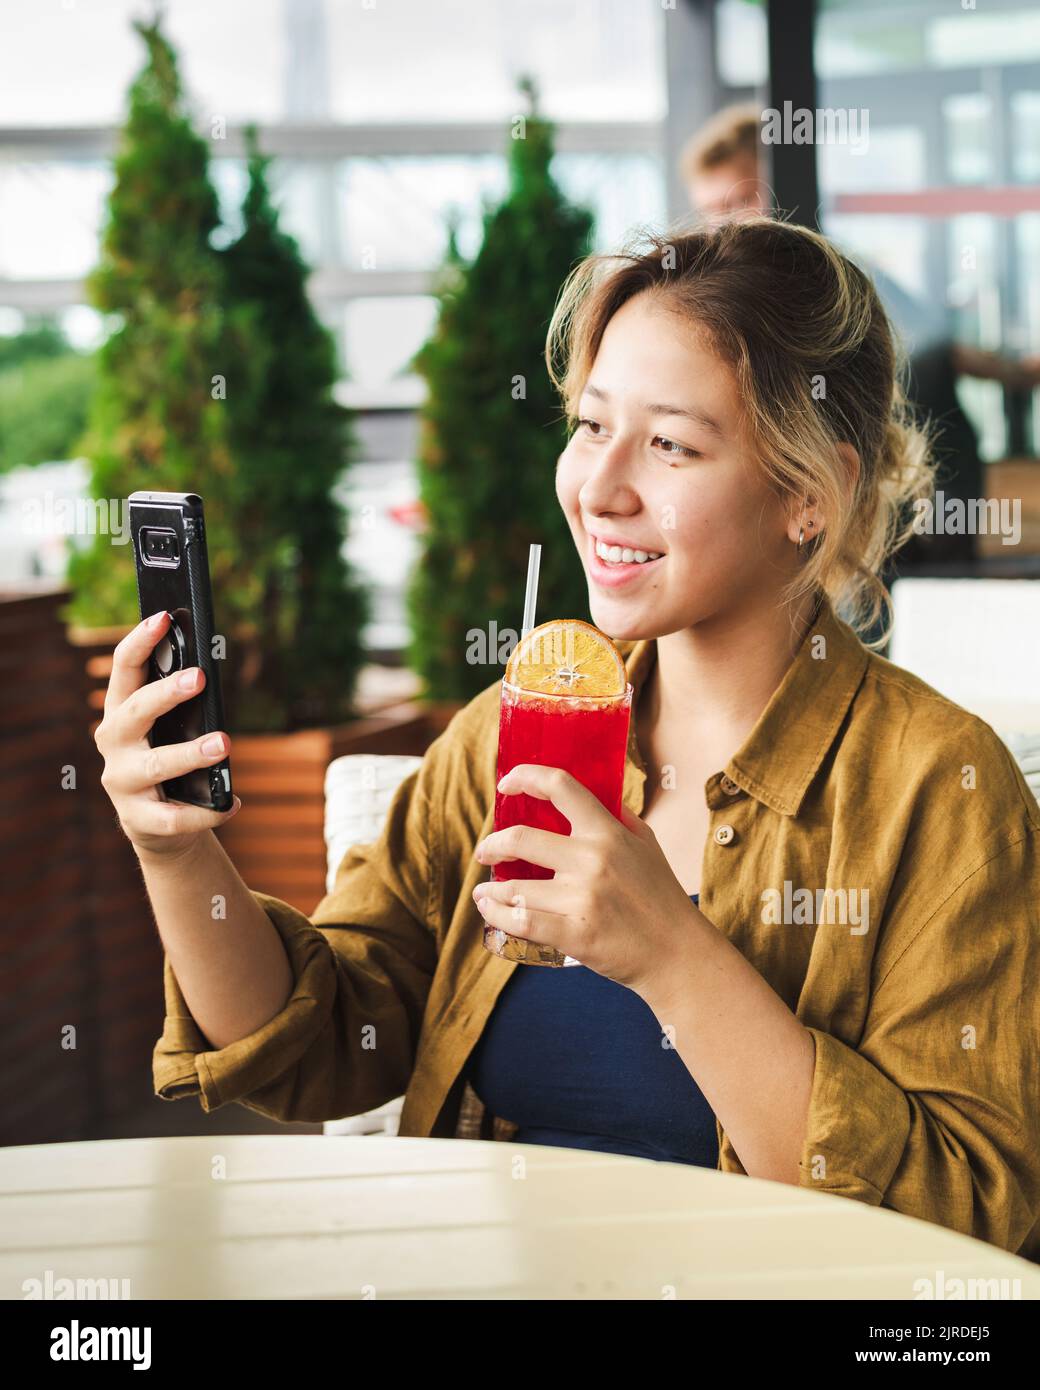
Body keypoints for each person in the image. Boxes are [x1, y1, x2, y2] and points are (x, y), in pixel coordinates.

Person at [96, 217, 1040, 1260]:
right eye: (591, 426)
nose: (597, 487)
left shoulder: (936, 789)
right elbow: (315, 1043)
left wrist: (673, 958)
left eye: (670, 443)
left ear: (805, 499)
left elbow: (967, 1228)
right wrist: (178, 853)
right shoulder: (508, 734)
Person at [680, 102, 1040, 579]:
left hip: (917, 478)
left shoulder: (832, 273)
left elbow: (933, 345)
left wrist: (1016, 373)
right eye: (711, 210)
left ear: (780, 180)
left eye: (739, 201)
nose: (726, 223)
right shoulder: (732, 298)